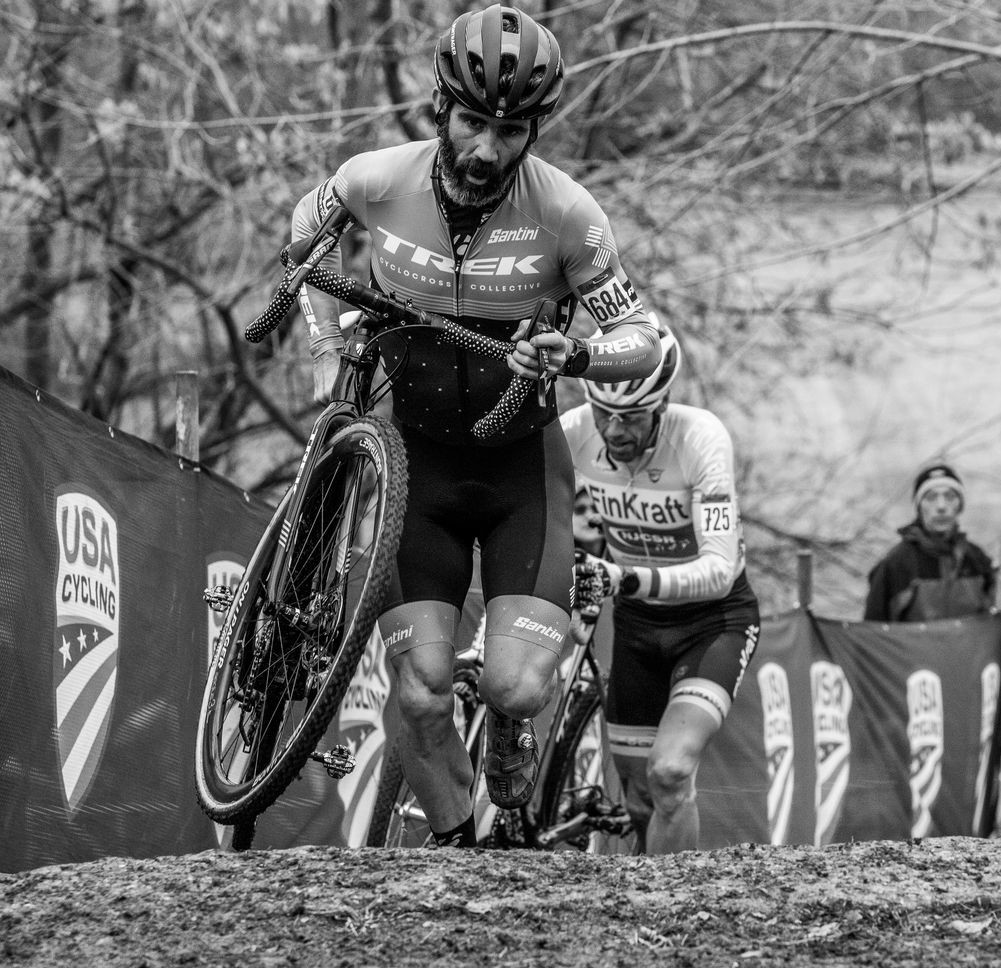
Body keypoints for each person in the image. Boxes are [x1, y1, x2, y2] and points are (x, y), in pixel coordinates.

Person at [290, 4, 660, 848]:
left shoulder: (568, 213)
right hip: (412, 469)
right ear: (439, 110)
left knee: (516, 688)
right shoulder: (376, 179)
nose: (487, 150)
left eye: (509, 130)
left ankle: (508, 727)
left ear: (534, 131)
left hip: (519, 469)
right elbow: (306, 235)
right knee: (419, 691)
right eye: (472, 122)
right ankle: (466, 850)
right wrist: (327, 343)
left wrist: (578, 358)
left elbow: (643, 338)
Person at [562, 324, 761, 854]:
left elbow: (719, 569)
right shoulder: (574, 430)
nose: (615, 431)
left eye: (631, 417)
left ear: (662, 403)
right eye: (605, 414)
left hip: (713, 621)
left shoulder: (700, 437)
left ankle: (670, 903)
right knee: (636, 796)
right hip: (636, 626)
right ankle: (641, 911)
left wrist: (623, 576)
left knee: (670, 772)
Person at [863, 462, 1001, 622]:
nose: (941, 506)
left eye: (950, 496)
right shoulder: (895, 565)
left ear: (959, 506)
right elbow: (873, 637)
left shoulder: (976, 560)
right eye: (931, 497)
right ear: (919, 507)